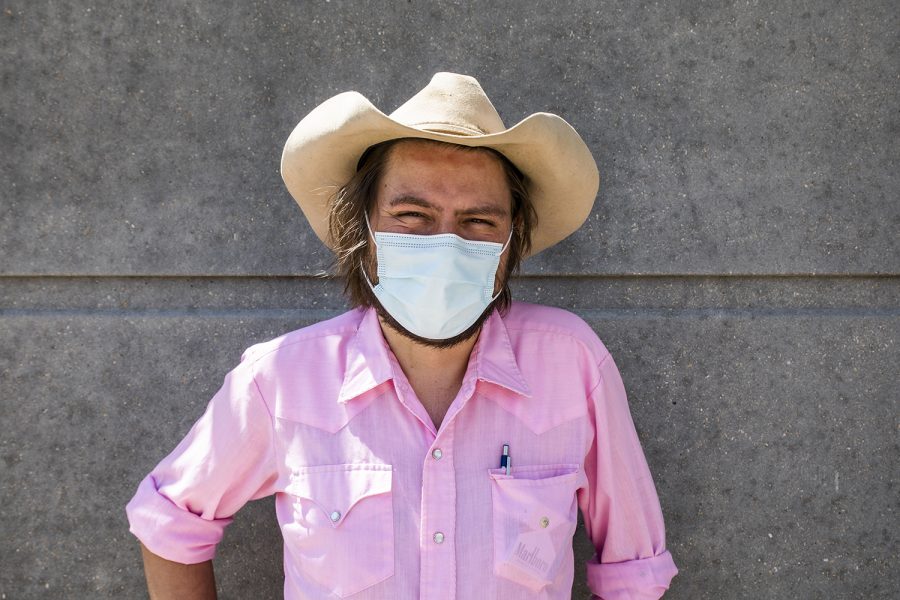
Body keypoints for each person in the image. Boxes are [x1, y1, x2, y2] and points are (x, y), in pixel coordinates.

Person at [126, 72, 677, 599]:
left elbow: (635, 571)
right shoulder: (281, 380)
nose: (445, 243)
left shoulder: (573, 364)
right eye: (412, 214)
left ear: (511, 241)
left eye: (479, 222)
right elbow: (168, 522)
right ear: (359, 230)